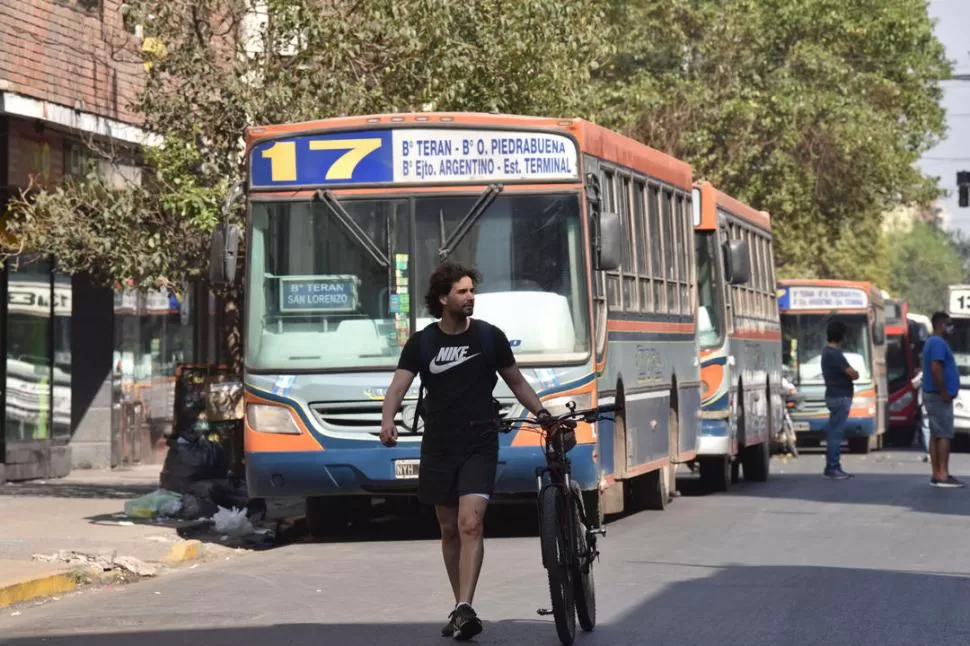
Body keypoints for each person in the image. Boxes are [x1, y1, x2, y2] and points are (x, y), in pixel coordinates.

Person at [379, 262, 557, 641]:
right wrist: (388, 420)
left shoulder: (490, 338)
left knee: (470, 523)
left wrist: (541, 412)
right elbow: (397, 387)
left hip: (480, 442)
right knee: (448, 530)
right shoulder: (423, 343)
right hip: (439, 446)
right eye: (462, 292)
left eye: (472, 291)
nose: (470, 297)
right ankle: (459, 606)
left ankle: (465, 606)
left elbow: (517, 381)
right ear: (443, 298)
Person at [922, 311, 964, 487]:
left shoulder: (932, 342)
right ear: (940, 325)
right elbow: (936, 367)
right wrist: (944, 391)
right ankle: (942, 475)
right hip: (939, 395)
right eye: (948, 324)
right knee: (944, 434)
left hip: (933, 394)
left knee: (936, 434)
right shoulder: (938, 343)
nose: (951, 328)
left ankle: (936, 472)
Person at [821, 320, 858, 479]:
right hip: (840, 396)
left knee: (834, 431)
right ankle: (833, 467)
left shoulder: (826, 352)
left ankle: (832, 466)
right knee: (836, 433)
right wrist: (855, 373)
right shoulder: (835, 354)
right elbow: (852, 373)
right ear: (841, 336)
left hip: (833, 394)